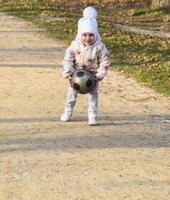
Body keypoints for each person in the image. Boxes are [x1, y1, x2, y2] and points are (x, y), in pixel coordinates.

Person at [60, 6, 111, 125]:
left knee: (93, 95)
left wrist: (100, 74)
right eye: (85, 35)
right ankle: (68, 111)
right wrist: (68, 72)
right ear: (80, 34)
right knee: (71, 94)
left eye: (91, 35)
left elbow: (105, 61)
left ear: (96, 34)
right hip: (76, 75)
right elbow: (68, 58)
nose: (88, 38)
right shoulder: (75, 46)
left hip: (93, 76)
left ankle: (92, 114)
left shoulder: (100, 47)